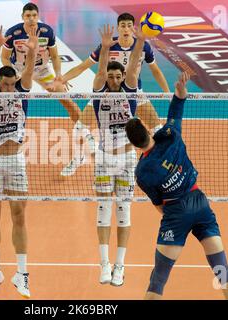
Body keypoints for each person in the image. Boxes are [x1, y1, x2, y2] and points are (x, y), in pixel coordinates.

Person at [125, 71, 228, 300]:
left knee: (158, 278)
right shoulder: (170, 136)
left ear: (133, 144)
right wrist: (180, 94)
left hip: (176, 213)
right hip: (199, 202)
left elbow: (159, 206)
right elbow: (174, 115)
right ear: (148, 130)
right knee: (221, 269)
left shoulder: (142, 173)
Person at [59, 12, 169, 176]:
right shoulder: (109, 44)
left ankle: (161, 162)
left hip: (134, 94)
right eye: (123, 25)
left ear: (134, 28)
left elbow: (156, 71)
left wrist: (167, 93)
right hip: (107, 93)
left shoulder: (143, 46)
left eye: (129, 25)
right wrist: (62, 78)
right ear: (118, 27)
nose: (126, 29)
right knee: (79, 128)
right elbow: (83, 66)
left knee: (158, 129)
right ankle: (78, 158)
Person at [86, 23, 151, 287]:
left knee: (124, 212)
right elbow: (100, 70)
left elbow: (135, 61)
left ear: (123, 77)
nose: (113, 80)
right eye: (110, 77)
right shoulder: (99, 94)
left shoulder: (130, 91)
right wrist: (104, 48)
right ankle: (104, 264)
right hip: (103, 159)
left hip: (126, 160)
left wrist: (139, 41)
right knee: (103, 211)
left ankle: (120, 265)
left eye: (117, 77)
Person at [0, 24, 38, 299]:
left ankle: (22, 274)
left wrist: (34, 49)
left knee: (19, 216)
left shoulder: (21, 94)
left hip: (16, 163)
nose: (9, 87)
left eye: (12, 83)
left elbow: (27, 72)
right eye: (5, 84)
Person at [0, 2, 62, 159]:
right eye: (28, 16)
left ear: (38, 16)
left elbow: (54, 56)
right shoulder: (14, 33)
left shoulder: (47, 32)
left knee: (65, 97)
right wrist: (14, 74)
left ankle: (85, 133)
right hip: (19, 69)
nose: (31, 19)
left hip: (41, 69)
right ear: (23, 17)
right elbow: (5, 58)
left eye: (34, 15)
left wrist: (59, 75)